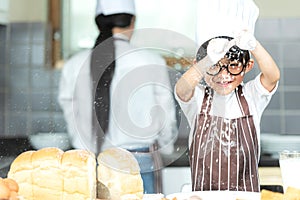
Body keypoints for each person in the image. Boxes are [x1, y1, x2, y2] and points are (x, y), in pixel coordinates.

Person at [175, 0, 280, 192]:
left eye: (233, 66)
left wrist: (253, 45)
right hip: (203, 196)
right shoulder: (197, 99)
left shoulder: (251, 96)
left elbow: (272, 76)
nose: (224, 75)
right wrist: (207, 60)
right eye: (214, 66)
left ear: (247, 67)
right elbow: (181, 89)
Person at [91, 0, 178, 194]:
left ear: (98, 23)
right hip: (142, 160)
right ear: (133, 22)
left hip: (97, 162)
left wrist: (87, 149)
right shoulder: (151, 61)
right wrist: (166, 149)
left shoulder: (76, 66)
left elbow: (74, 117)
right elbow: (165, 113)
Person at [58, 49, 97, 153]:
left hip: (83, 150)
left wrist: (77, 137)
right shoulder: (142, 58)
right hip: (132, 153)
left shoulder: (74, 63)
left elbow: (67, 104)